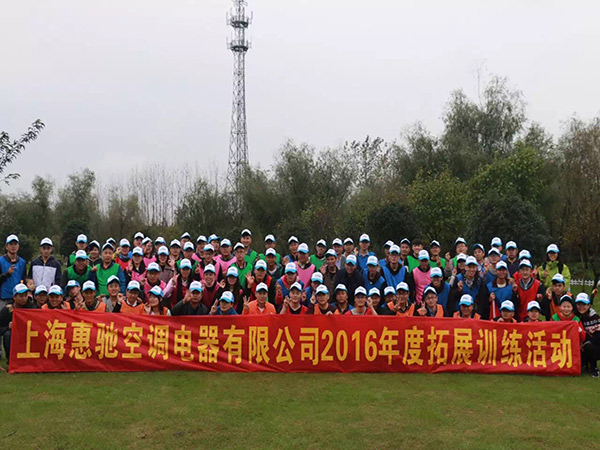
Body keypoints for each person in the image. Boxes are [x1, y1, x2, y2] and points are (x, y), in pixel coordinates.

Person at [0, 283, 35, 364]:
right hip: (14, 335)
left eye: (25, 295)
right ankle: (11, 360)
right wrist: (7, 327)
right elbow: (0, 327)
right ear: (14, 297)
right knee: (7, 335)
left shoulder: (31, 307)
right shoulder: (7, 310)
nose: (24, 298)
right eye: (21, 296)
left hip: (29, 334)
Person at [575, 293, 600, 377]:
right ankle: (587, 364)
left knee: (590, 347)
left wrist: (587, 343)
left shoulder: (595, 317)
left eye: (584, 304)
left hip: (594, 345)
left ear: (588, 305)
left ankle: (594, 368)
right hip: (579, 347)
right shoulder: (575, 317)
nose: (581, 307)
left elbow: (598, 335)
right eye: (579, 304)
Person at [0, 234, 27, 311]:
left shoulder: (22, 262)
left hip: (18, 298)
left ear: (18, 246)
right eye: (11, 244)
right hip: (4, 298)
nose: (13, 246)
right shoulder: (1, 261)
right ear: (6, 246)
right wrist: (7, 274)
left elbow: (24, 279)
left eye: (15, 244)